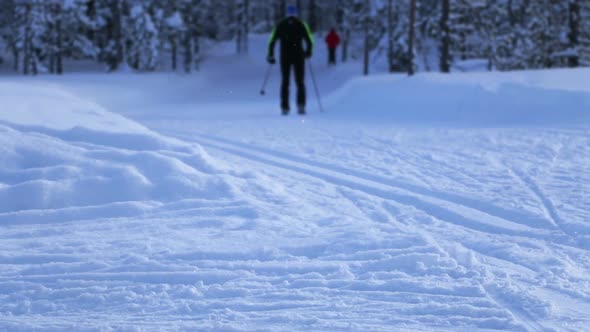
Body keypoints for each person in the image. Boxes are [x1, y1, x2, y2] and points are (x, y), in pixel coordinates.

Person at [267, 4, 314, 115]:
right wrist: (308, 52)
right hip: (299, 56)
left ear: (287, 14)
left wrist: (271, 55)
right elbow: (309, 40)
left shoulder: (281, 25)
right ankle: (301, 105)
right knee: (300, 82)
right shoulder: (301, 24)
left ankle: (285, 107)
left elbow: (272, 41)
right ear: (296, 14)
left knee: (285, 82)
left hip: (285, 57)